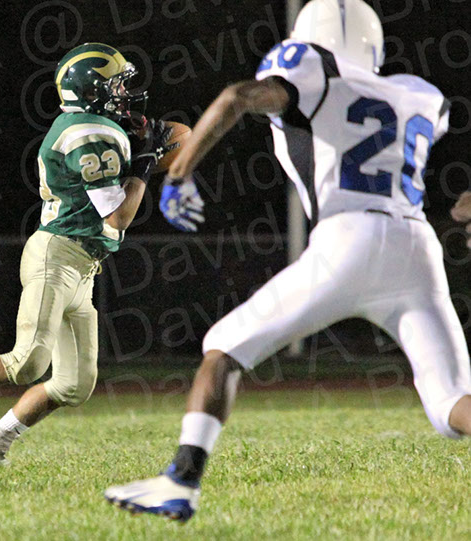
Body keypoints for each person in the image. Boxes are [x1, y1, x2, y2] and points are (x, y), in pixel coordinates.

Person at [105, 0, 471, 521]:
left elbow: (237, 97)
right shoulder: (418, 94)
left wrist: (180, 172)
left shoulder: (311, 70)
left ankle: (180, 480)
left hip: (348, 236)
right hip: (415, 246)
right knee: (451, 401)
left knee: (223, 348)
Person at [0, 43, 175, 465]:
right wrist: (146, 163)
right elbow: (118, 217)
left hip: (83, 267)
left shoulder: (93, 125)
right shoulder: (88, 132)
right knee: (27, 361)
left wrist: (151, 146)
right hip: (57, 257)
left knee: (73, 385)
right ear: (92, 90)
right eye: (116, 84)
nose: (123, 92)